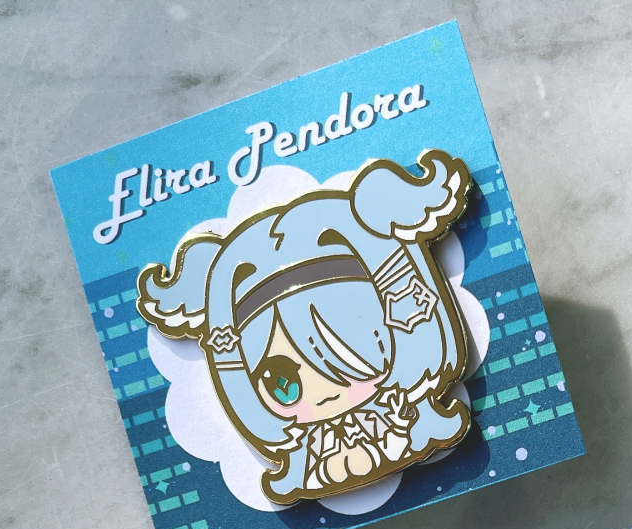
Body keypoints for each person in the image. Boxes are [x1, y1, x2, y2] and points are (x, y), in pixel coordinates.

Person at [138, 151, 473, 504]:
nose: (326, 395)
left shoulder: (402, 414)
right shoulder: (307, 454)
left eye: (354, 356)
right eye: (283, 385)